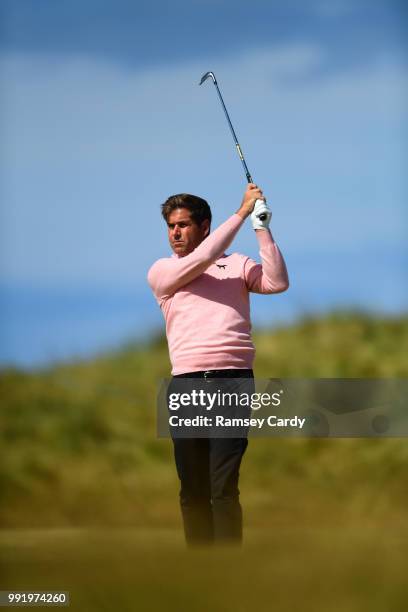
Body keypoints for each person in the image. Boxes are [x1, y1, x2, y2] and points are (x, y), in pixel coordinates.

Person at [147, 184, 289, 546]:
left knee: (223, 485)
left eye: (183, 225)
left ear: (205, 226)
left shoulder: (237, 263)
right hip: (187, 385)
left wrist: (261, 226)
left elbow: (277, 282)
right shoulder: (163, 272)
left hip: (234, 382)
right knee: (192, 487)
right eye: (171, 226)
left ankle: (229, 574)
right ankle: (201, 574)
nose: (175, 233)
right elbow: (203, 259)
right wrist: (241, 212)